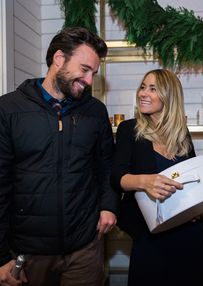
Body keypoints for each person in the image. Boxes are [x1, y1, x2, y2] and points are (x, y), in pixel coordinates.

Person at [0, 26, 119, 286]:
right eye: (85, 69)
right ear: (58, 59)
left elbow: (106, 165)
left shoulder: (95, 111)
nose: (89, 81)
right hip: (28, 253)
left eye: (94, 74)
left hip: (84, 249)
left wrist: (109, 205)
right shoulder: (8, 109)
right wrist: (0, 256)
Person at [111, 69, 203, 286]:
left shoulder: (181, 133)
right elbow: (116, 176)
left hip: (189, 233)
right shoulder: (129, 129)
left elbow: (193, 178)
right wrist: (144, 181)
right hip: (152, 235)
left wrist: (200, 202)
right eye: (143, 86)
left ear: (169, 96)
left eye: (153, 89)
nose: (143, 93)